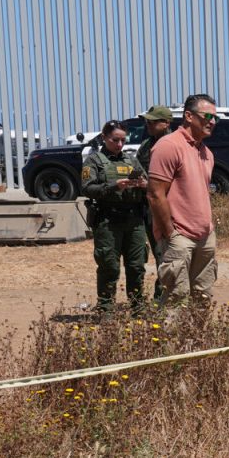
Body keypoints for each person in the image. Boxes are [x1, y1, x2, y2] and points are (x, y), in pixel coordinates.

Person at [147, 93, 218, 306]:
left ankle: (200, 339)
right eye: (207, 116)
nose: (212, 122)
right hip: (179, 237)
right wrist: (170, 232)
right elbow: (155, 194)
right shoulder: (169, 146)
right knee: (175, 300)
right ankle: (170, 339)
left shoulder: (206, 152)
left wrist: (209, 229)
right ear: (188, 116)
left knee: (203, 298)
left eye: (215, 118)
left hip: (205, 237)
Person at [82, 120, 150, 313]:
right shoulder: (94, 161)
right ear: (104, 137)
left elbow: (149, 183)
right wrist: (114, 186)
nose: (119, 144)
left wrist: (143, 184)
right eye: (115, 140)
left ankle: (138, 306)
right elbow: (87, 188)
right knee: (109, 266)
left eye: (123, 140)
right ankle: (106, 308)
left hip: (134, 220)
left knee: (136, 266)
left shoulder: (130, 160)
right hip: (108, 221)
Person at [136, 104, 174, 305]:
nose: (148, 124)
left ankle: (166, 297)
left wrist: (149, 184)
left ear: (166, 123)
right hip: (149, 208)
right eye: (147, 121)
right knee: (159, 255)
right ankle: (162, 297)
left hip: (169, 208)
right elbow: (139, 168)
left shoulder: (175, 144)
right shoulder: (146, 145)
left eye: (153, 121)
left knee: (169, 255)